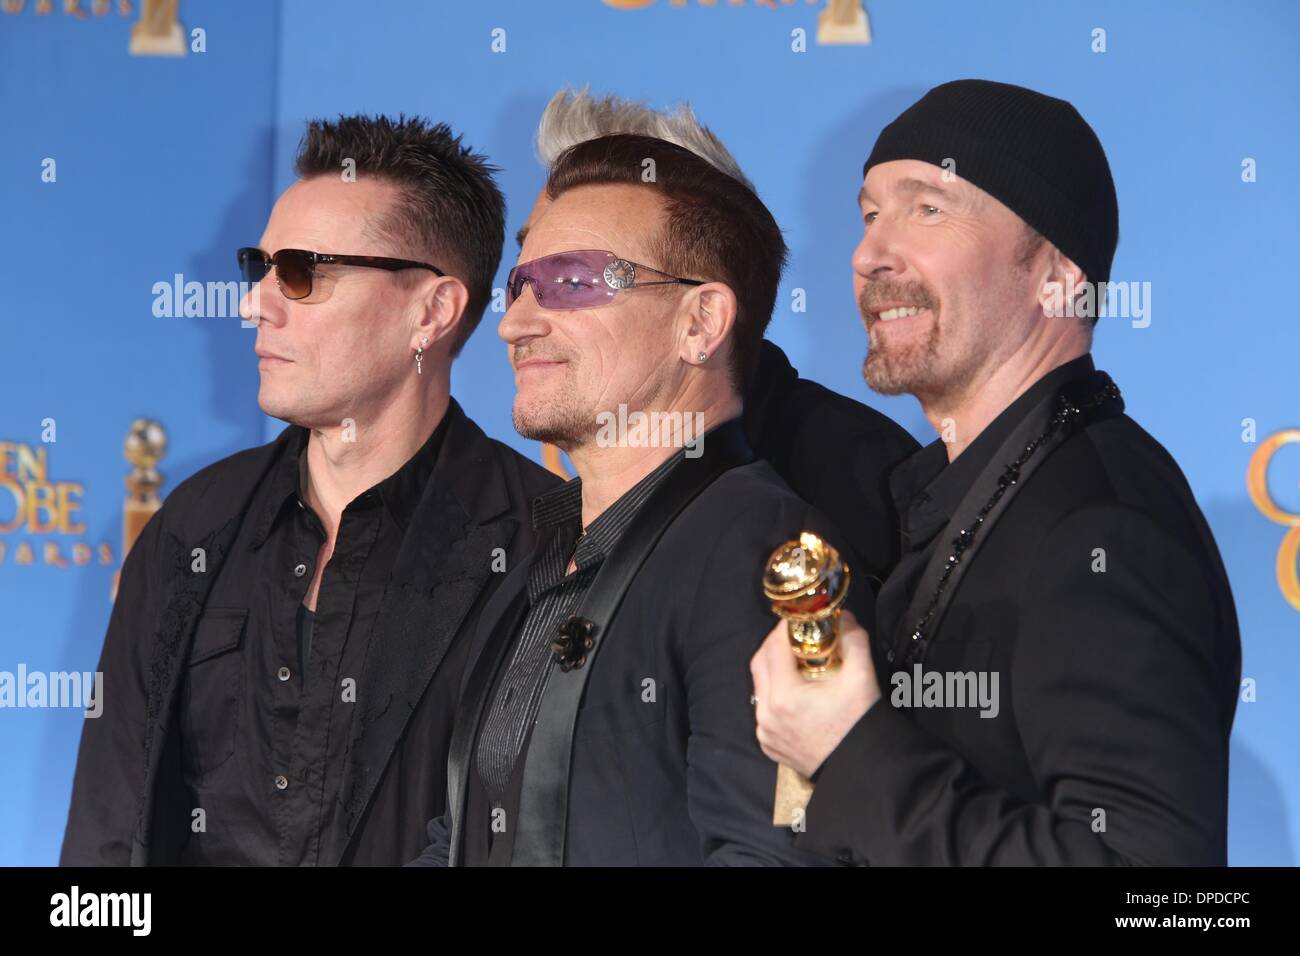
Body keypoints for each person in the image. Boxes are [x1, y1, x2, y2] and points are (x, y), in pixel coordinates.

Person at [751, 80, 1241, 866]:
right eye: (870, 214)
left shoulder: (1099, 527)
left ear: (1058, 272)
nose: (868, 254)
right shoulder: (967, 500)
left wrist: (849, 752)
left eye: (929, 209)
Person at [61, 115, 559, 866]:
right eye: (257, 267)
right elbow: (104, 838)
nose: (256, 304)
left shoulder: (545, 543)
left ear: (432, 310)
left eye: (300, 272)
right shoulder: (193, 528)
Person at [412, 133, 871, 865]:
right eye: (519, 285)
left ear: (700, 323)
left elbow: (773, 855)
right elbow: (464, 841)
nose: (515, 323)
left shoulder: (764, 549)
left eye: (572, 282)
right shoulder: (542, 551)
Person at [523, 88, 919, 593]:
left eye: (573, 274)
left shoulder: (851, 476)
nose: (524, 311)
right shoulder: (547, 524)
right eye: (528, 268)